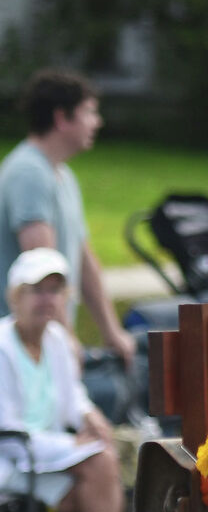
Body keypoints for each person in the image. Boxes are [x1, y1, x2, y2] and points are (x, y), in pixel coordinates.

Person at [0, 248, 126, 512]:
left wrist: (91, 418)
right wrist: (73, 443)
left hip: (49, 461)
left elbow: (72, 399)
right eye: (37, 290)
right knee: (100, 478)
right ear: (15, 296)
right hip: (11, 460)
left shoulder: (56, 341)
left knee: (96, 490)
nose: (47, 299)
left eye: (55, 290)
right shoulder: (2, 346)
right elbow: (8, 430)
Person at [0, 71, 135, 368]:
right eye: (89, 112)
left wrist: (111, 332)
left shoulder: (61, 174)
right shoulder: (29, 173)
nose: (97, 121)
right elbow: (42, 268)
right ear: (62, 118)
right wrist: (66, 339)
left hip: (44, 343)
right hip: (20, 353)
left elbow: (85, 262)